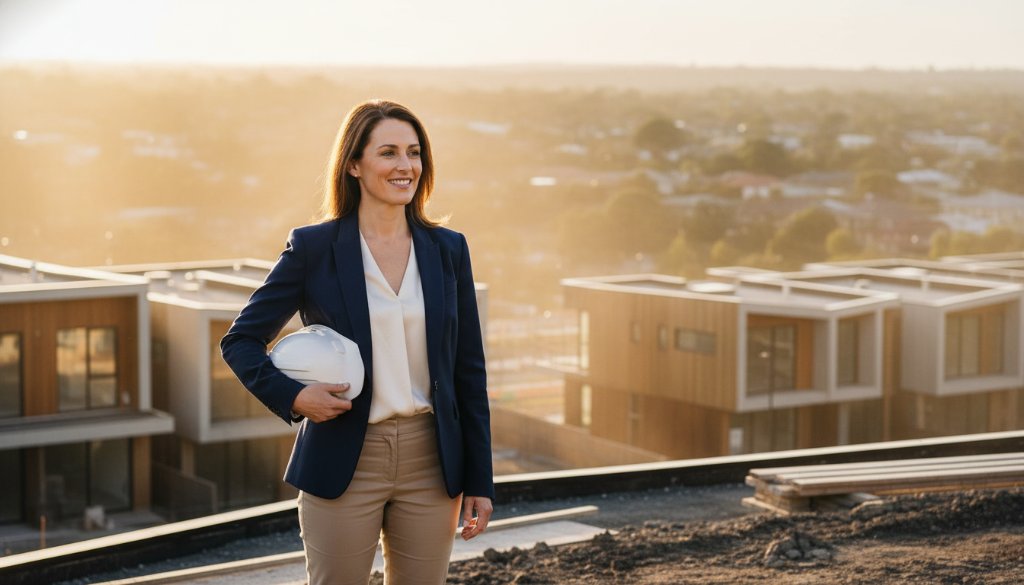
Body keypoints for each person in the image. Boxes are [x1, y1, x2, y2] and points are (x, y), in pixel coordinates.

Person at [220, 99, 494, 585]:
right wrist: (295, 397)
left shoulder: (448, 249)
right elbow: (240, 340)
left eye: (414, 152)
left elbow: (468, 372)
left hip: (432, 461)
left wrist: (479, 479)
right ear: (353, 164)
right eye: (388, 152)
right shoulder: (314, 248)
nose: (405, 165)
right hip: (344, 454)